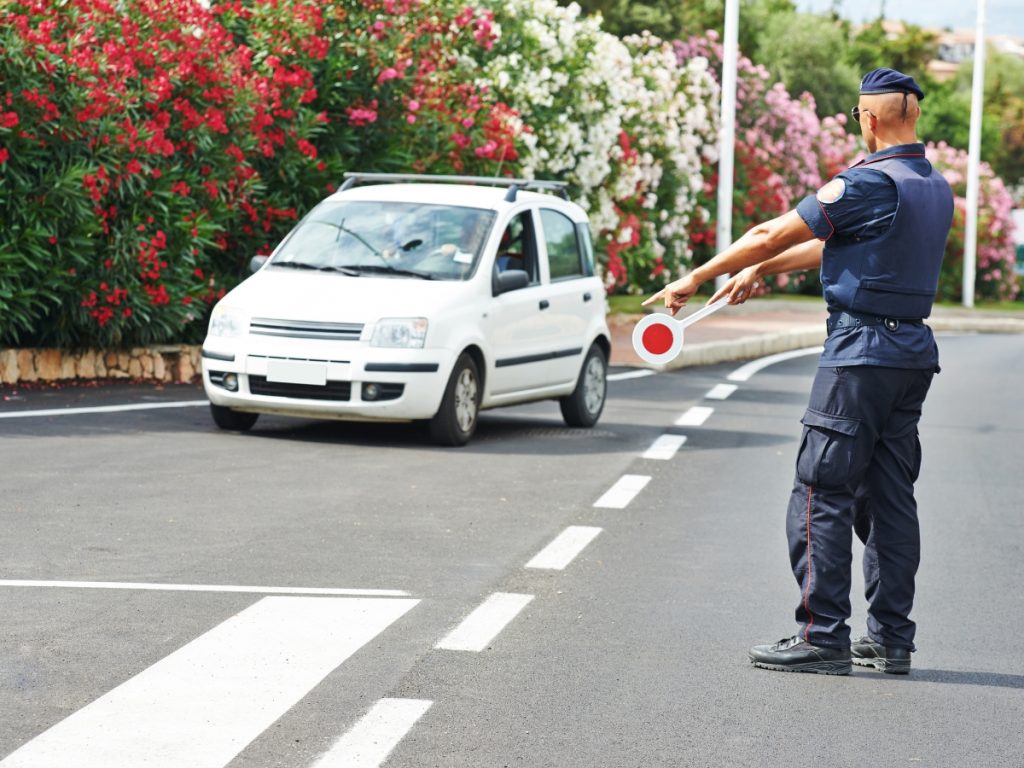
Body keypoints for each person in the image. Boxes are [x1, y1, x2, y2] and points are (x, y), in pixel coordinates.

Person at [643, 67, 954, 676]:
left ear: (867, 118)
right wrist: (762, 271)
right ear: (913, 113)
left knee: (822, 490)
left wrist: (696, 276)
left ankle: (823, 634)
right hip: (910, 355)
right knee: (890, 498)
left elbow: (769, 231)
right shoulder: (930, 184)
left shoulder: (867, 181)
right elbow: (830, 243)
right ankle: (892, 639)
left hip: (858, 356)